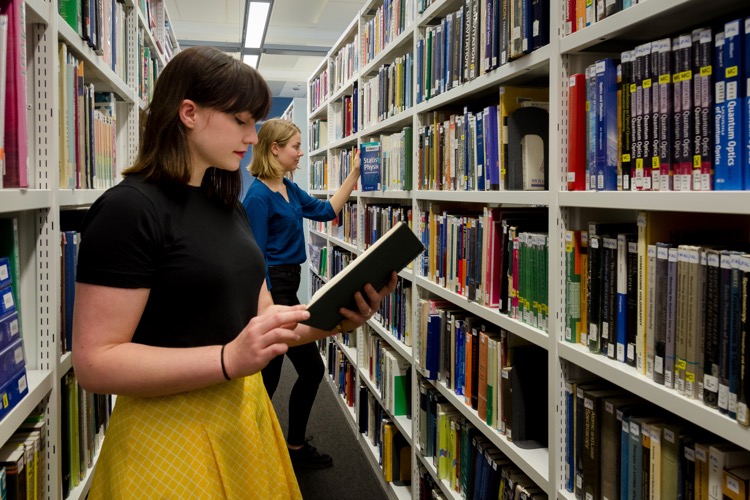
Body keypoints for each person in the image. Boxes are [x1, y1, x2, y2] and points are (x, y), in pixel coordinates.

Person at [71, 46, 396, 499]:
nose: (253, 135)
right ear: (189, 113)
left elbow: (262, 322)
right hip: (167, 437)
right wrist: (228, 359)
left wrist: (335, 319)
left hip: (244, 420)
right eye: (241, 120)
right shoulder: (129, 210)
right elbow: (95, 362)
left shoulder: (228, 208)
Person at [242, 118, 361, 469]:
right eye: (295, 146)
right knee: (271, 377)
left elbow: (326, 211)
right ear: (274, 148)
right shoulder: (258, 197)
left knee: (304, 371)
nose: (301, 152)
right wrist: (267, 309)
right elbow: (256, 258)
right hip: (272, 291)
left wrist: (353, 174)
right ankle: (258, 454)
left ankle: (290, 448)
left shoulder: (290, 189)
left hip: (288, 290)